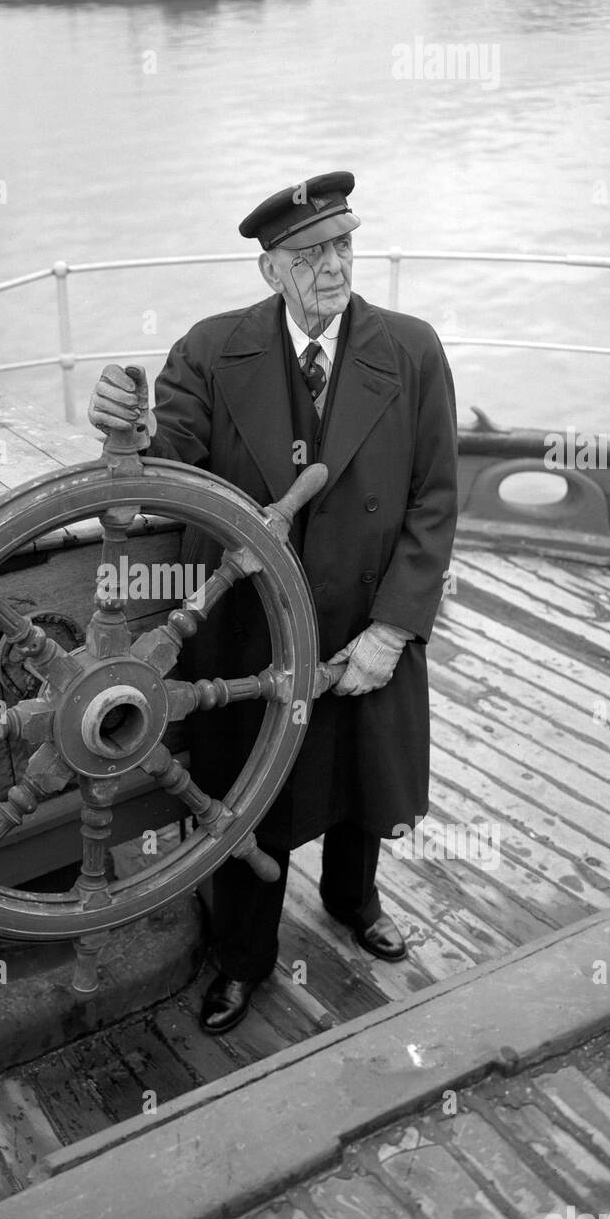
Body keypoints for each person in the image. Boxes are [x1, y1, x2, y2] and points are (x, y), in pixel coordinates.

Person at [89, 171, 458, 1035]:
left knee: (363, 779)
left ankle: (354, 898)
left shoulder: (410, 351)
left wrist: (394, 629)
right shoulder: (210, 352)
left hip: (363, 621)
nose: (332, 267)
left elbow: (434, 498)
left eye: (341, 246)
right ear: (270, 272)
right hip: (249, 637)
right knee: (242, 798)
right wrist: (127, 432)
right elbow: (161, 471)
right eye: (308, 255)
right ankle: (241, 958)